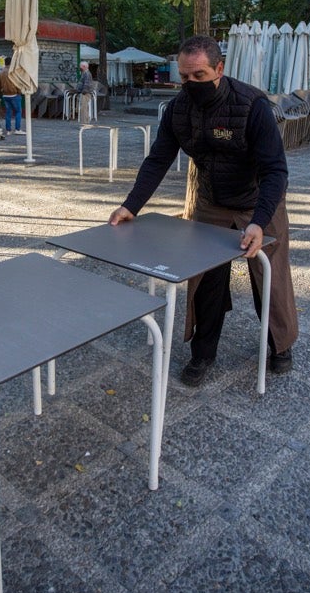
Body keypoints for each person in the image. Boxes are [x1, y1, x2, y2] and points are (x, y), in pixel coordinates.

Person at [108, 35, 298, 387]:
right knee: (206, 280)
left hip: (259, 201)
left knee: (269, 279)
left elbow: (276, 171)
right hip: (211, 201)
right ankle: (203, 352)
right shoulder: (178, 110)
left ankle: (280, 345)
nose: (190, 84)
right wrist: (130, 205)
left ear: (219, 69)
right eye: (184, 77)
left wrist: (258, 222)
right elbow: (158, 159)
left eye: (199, 75)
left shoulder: (252, 105)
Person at [0, 64, 23, 134]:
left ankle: (8, 130)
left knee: (8, 112)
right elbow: (17, 83)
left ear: (5, 63)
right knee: (18, 111)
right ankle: (17, 129)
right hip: (14, 94)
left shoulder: (1, 72)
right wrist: (19, 92)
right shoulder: (13, 72)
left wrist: (2, 91)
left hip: (5, 95)